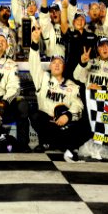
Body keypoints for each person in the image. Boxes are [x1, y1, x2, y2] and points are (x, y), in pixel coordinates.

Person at [29, 26, 84, 160]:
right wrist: (34, 44)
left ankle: (55, 143)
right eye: (54, 63)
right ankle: (47, 142)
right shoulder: (43, 79)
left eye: (60, 63)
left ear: (64, 67)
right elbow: (34, 64)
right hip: (47, 122)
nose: (57, 65)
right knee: (35, 115)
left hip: (64, 124)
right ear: (49, 67)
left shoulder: (72, 85)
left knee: (78, 125)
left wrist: (68, 116)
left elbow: (78, 105)